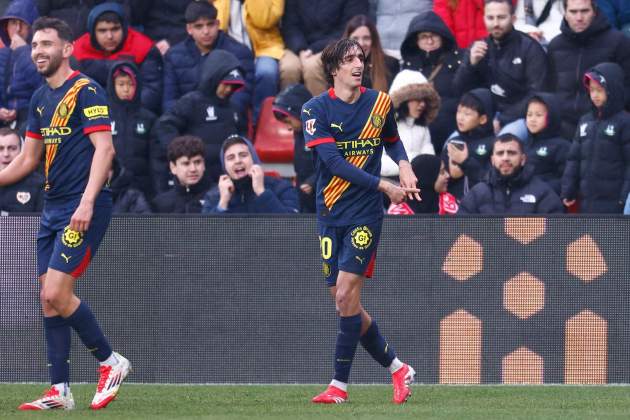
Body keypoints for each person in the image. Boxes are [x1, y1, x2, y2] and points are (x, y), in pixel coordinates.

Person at [0, 17, 130, 411]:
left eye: (46, 44)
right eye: (35, 45)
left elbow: (105, 151)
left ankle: (111, 362)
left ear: (68, 49)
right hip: (53, 206)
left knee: (57, 291)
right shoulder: (40, 98)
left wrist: (88, 201)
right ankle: (60, 390)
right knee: (47, 299)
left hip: (82, 204)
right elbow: (27, 158)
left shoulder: (86, 90)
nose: (38, 51)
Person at [302, 38, 419, 405]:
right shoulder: (314, 110)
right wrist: (386, 185)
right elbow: (334, 164)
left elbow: (392, 140)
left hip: (365, 213)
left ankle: (339, 386)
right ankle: (398, 367)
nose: (358, 64)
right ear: (334, 69)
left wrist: (404, 164)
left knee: (345, 294)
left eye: (361, 59)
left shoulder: (379, 102)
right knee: (344, 302)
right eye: (350, 59)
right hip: (330, 211)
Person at [155, 49, 246, 191]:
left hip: (227, 181)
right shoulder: (191, 102)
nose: (229, 89)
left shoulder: (234, 109)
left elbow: (242, 138)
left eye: (233, 86)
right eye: (225, 84)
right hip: (197, 180)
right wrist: (181, 154)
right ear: (213, 78)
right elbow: (165, 126)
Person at [453, 0, 549, 129]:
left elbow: (536, 94)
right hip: (484, 116)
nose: (496, 23)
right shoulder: (478, 48)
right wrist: (470, 65)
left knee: (505, 139)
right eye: (490, 18)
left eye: (501, 17)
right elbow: (458, 90)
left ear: (513, 19)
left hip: (520, 118)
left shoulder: (530, 48)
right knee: (452, 143)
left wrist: (503, 119)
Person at [547, 0, 630, 139]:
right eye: (573, 12)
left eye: (584, 11)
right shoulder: (555, 46)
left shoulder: (618, 42)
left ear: (595, 11)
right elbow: (548, 88)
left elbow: (627, 85)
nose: (579, 18)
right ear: (565, 13)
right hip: (562, 127)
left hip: (604, 125)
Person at [162, 1, 254, 119]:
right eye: (199, 26)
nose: (206, 31)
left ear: (218, 24)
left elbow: (241, 98)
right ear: (189, 29)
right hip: (187, 122)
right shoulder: (173, 56)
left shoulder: (239, 53)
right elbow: (169, 101)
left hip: (225, 120)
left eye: (210, 24)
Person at [561, 62, 630, 213]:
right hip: (587, 201)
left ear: (613, 90)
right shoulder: (585, 121)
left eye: (599, 90)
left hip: (615, 202)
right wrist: (568, 189)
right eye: (591, 90)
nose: (595, 95)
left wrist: (624, 198)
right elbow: (574, 159)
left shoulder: (625, 122)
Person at [72, 2, 163, 114]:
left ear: (124, 28)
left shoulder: (143, 47)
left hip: (133, 114)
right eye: (102, 31)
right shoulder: (78, 50)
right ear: (92, 32)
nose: (110, 36)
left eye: (115, 29)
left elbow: (151, 91)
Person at [400, 11, 464, 151]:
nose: (429, 41)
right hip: (416, 135)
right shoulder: (407, 67)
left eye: (434, 35)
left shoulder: (459, 62)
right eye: (424, 37)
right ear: (415, 40)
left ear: (442, 36)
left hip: (451, 129)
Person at [214, 0, 285, 124]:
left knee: (266, 73)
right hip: (230, 50)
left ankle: (261, 123)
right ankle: (228, 122)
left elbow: (264, 20)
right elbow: (218, 24)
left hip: (264, 49)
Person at [458, 133, 564, 213]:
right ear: (492, 160)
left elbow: (555, 234)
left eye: (511, 153)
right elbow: (461, 231)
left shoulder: (542, 193)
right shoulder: (477, 193)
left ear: (523, 159)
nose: (505, 158)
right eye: (500, 153)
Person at [281, 0, 369, 96]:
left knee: (312, 68)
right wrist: (300, 49)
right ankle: (288, 109)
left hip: (335, 45)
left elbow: (349, 28)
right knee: (288, 68)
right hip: (297, 46)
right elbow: (290, 26)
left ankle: (317, 110)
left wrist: (313, 49)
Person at [202, 135, 298, 213]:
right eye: (231, 158)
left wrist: (262, 192)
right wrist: (222, 204)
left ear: (254, 159)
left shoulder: (282, 188)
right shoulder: (214, 196)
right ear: (224, 166)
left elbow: (292, 229)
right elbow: (206, 234)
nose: (238, 161)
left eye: (243, 155)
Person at [106, 61, 155, 198]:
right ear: (112, 86)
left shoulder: (148, 118)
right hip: (109, 186)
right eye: (121, 84)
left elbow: (154, 158)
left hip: (141, 187)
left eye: (131, 84)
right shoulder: (103, 117)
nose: (126, 89)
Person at [382, 69, 439, 180]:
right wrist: (413, 162)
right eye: (417, 99)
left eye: (425, 100)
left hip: (417, 186)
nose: (422, 104)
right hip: (389, 187)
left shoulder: (423, 127)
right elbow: (378, 162)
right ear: (403, 100)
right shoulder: (384, 124)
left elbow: (430, 161)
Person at [442, 88, 495, 200]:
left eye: (467, 114)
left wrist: (465, 163)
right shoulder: (454, 141)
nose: (460, 117)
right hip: (452, 205)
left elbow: (492, 178)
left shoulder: (494, 143)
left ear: (483, 119)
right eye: (459, 111)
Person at [0, 0, 43, 134]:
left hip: (30, 119)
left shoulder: (43, 54)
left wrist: (23, 51)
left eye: (23, 24)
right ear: (6, 27)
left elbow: (42, 84)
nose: (17, 29)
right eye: (13, 23)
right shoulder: (2, 54)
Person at [272, 83, 315, 213]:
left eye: (289, 122)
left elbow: (335, 163)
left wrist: (313, 181)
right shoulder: (299, 133)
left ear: (299, 112)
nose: (289, 128)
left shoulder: (323, 130)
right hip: (306, 199)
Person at [523, 93, 570, 195]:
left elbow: (567, 180)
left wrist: (540, 189)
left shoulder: (561, 146)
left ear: (551, 117)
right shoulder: (524, 144)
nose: (532, 119)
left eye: (538, 115)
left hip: (547, 201)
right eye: (529, 114)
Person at [152, 135, 212, 214]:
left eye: (197, 162)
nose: (193, 169)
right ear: (173, 167)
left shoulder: (218, 196)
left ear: (204, 164)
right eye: (186, 164)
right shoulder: (160, 203)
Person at [343, 14, 399, 92]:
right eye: (355, 38)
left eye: (366, 38)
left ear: (373, 40)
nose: (361, 43)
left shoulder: (390, 64)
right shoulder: (337, 66)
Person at [387, 153, 458, 214]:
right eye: (442, 172)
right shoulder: (398, 212)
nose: (448, 175)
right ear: (428, 177)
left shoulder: (448, 202)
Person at [0, 127, 44, 213]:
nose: (6, 154)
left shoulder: (39, 184)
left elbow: (42, 222)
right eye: (0, 149)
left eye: (12, 148)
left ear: (22, 151)